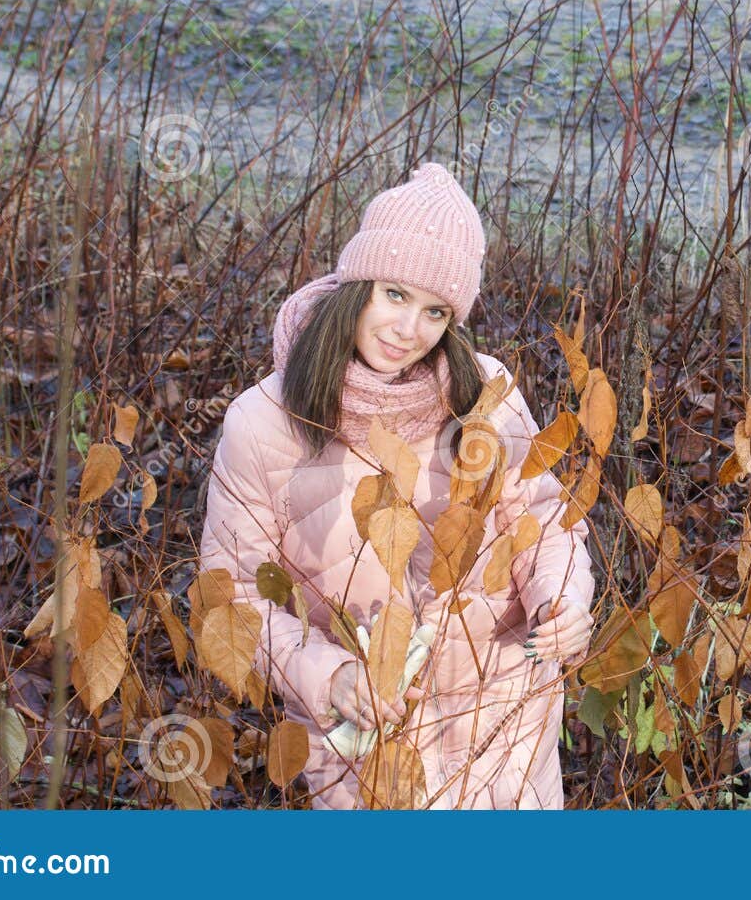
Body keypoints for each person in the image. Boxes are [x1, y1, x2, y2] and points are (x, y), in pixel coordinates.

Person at [197, 161, 596, 809]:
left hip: (506, 726)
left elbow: (546, 519)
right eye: (395, 294)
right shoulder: (264, 423)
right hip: (366, 747)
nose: (409, 329)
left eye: (435, 310)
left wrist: (562, 599)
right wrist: (330, 676)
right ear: (359, 284)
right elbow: (234, 595)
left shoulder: (482, 393)